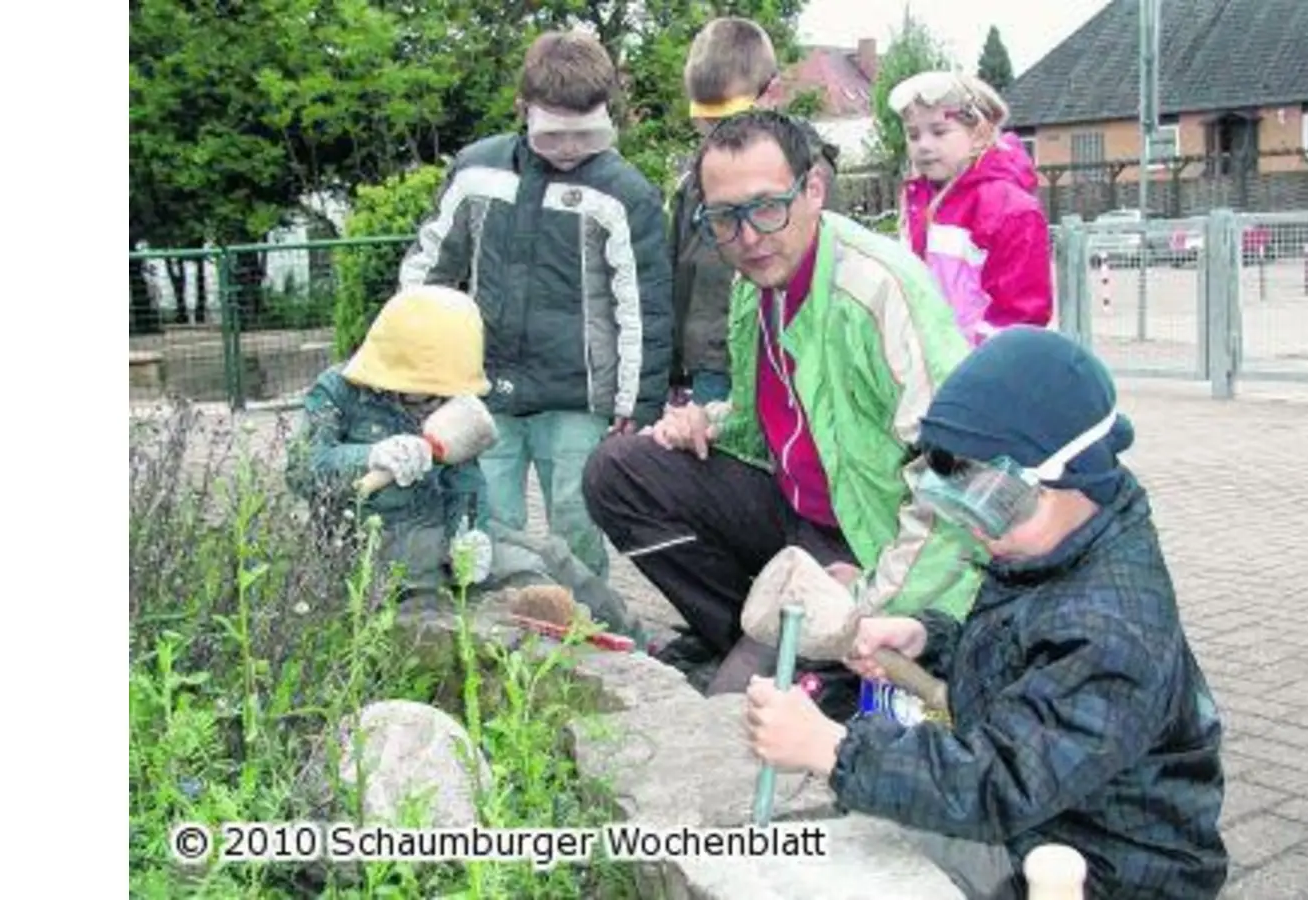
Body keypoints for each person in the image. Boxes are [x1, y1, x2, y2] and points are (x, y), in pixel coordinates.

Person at [741, 326, 1230, 899]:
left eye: (996, 504)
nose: (975, 525)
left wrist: (832, 750)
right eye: (960, 498)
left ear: (1072, 480)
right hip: (1053, 821)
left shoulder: (1111, 631)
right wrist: (932, 639)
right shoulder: (1063, 547)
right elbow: (1030, 650)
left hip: (1115, 872)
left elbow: (999, 781)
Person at [582, 109, 982, 718]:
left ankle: (827, 657)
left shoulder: (879, 291)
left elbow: (962, 482)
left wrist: (869, 604)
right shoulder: (755, 283)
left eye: (767, 207)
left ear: (814, 190)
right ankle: (765, 639)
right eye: (724, 218)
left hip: (874, 539)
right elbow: (764, 418)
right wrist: (702, 422)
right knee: (620, 469)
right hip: (799, 517)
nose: (747, 237)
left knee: (734, 712)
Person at [398, 30, 673, 580]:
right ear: (523, 110)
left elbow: (643, 308)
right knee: (488, 517)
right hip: (484, 387)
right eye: (553, 135)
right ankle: (497, 622)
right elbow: (428, 271)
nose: (570, 148)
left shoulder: (626, 193)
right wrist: (413, 363)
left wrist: (635, 403)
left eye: (586, 133)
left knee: (576, 522)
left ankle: (587, 624)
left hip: (579, 397)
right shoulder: (476, 172)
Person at [285, 285, 641, 635]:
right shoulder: (337, 390)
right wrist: (371, 456)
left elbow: (466, 480)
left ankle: (638, 645)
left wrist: (470, 532)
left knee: (556, 555)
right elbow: (301, 471)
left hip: (440, 524)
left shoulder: (454, 401)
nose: (433, 397)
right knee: (529, 571)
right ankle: (579, 645)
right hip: (375, 540)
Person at [669, 17, 842, 405]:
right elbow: (678, 274)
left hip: (795, 354)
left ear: (772, 94)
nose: (717, 137)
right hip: (713, 363)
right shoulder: (693, 184)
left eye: (731, 119)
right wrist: (674, 365)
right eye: (707, 123)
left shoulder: (811, 174)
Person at [887, 70, 1053, 344]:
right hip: (932, 367)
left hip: (982, 373)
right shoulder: (919, 201)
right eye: (913, 135)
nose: (924, 146)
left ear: (978, 134)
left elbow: (1020, 317)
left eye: (939, 132)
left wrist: (976, 371)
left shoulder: (1009, 211)